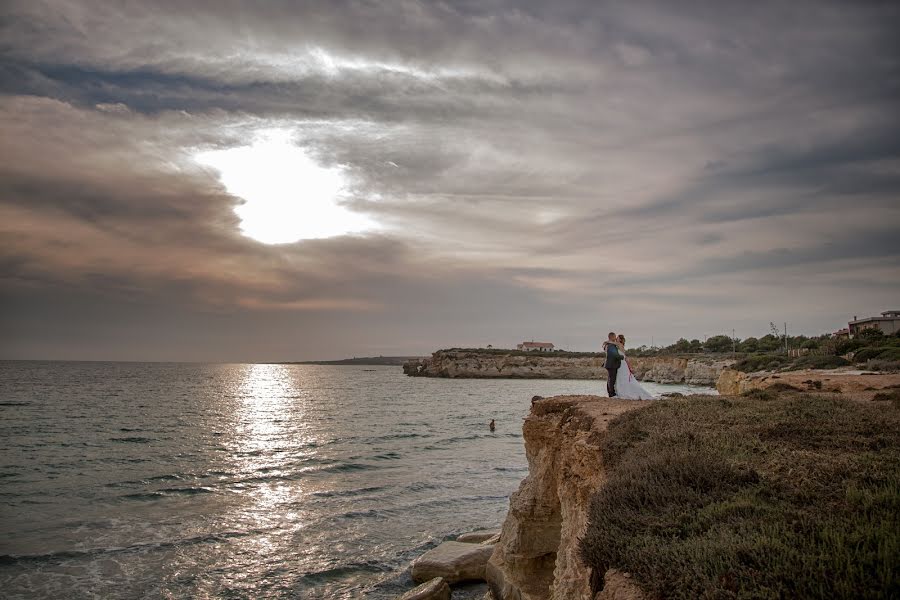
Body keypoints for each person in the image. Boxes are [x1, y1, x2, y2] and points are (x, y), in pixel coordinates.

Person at [612, 334, 654, 400]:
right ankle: (625, 391)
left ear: (620, 339)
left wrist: (606, 342)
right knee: (623, 377)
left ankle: (623, 392)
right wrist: (629, 366)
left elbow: (611, 342)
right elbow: (626, 358)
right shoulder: (622, 345)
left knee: (621, 377)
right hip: (623, 364)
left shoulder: (619, 344)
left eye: (617, 338)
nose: (616, 339)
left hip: (621, 364)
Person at [602, 332, 622, 397]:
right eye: (614, 336)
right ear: (612, 337)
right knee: (612, 379)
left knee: (610, 379)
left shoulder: (608, 344)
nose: (615, 338)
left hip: (609, 364)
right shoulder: (611, 346)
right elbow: (615, 355)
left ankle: (610, 392)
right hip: (612, 364)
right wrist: (622, 357)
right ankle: (611, 393)